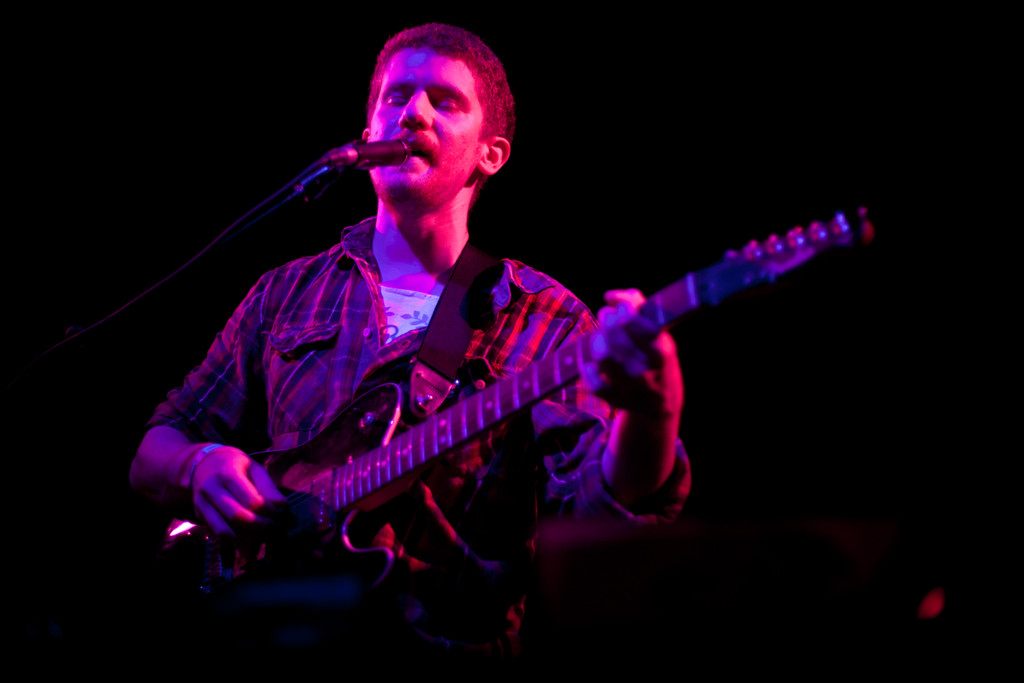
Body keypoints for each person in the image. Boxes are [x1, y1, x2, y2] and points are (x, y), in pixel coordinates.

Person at [129, 22, 690, 658]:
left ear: (490, 154)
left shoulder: (546, 318)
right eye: (397, 96)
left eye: (445, 101)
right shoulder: (285, 292)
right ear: (368, 131)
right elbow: (156, 448)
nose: (414, 113)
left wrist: (652, 414)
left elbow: (600, 506)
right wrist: (197, 466)